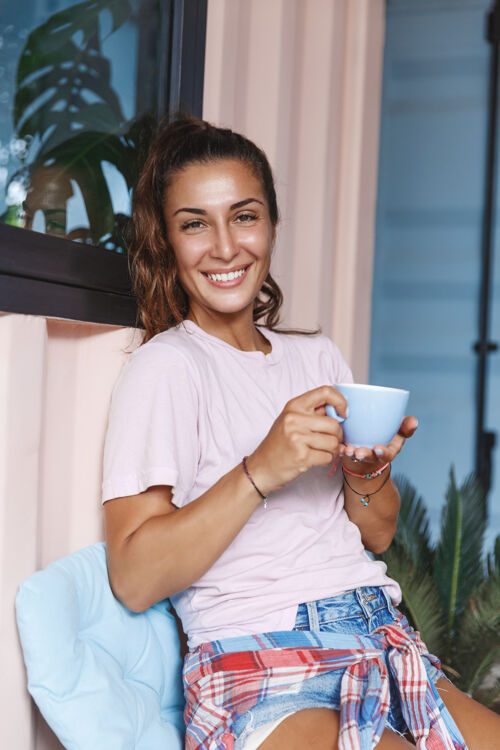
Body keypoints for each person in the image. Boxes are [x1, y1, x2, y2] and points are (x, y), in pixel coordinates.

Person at [102, 116, 500, 750]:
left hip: (380, 640)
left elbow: (375, 531)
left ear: (272, 226)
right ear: (168, 241)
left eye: (245, 216)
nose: (226, 247)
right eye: (195, 224)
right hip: (261, 663)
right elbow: (134, 574)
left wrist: (367, 473)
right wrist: (262, 469)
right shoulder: (166, 368)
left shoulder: (316, 358)